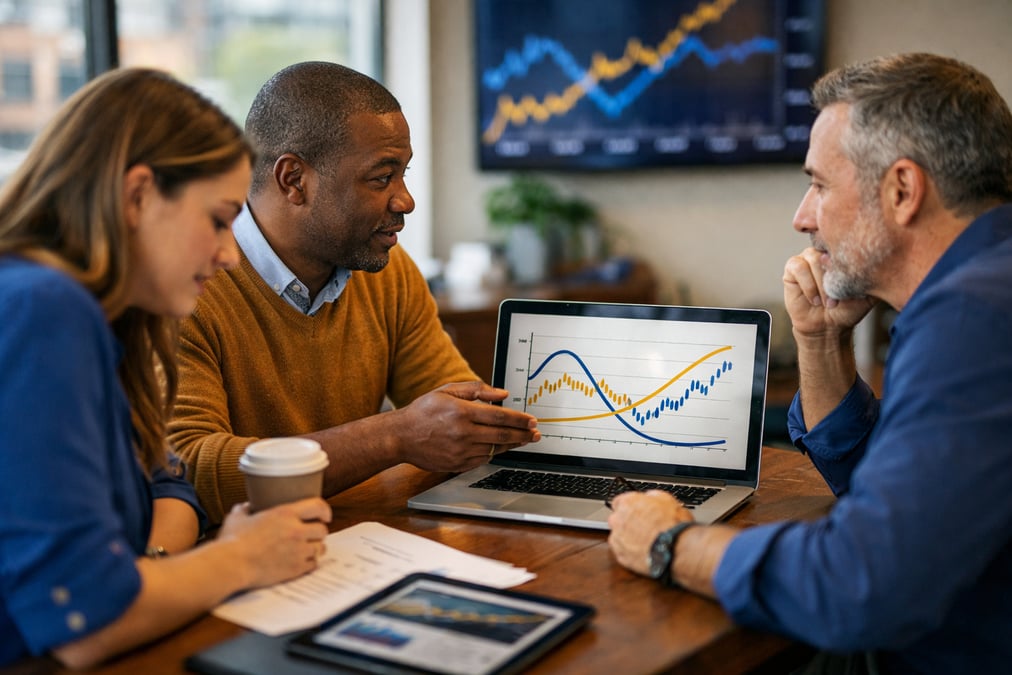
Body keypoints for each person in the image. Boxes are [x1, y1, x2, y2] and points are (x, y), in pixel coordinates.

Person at [607, 52, 1012, 674]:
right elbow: (898, 499)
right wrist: (821, 341)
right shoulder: (980, 286)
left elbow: (861, 586)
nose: (802, 217)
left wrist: (671, 543)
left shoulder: (972, 319)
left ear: (902, 190)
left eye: (819, 184)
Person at [0, 68, 332, 669]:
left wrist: (155, 576)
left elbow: (165, 475)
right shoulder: (42, 309)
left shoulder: (108, 316)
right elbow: (85, 624)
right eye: (216, 219)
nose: (230, 255)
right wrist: (242, 558)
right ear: (137, 196)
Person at [167, 61, 540, 524]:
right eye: (382, 177)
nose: (405, 200)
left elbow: (451, 410)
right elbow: (189, 470)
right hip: (233, 559)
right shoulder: (185, 283)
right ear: (293, 180)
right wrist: (391, 437)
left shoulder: (388, 272)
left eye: (403, 174)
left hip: (349, 540)